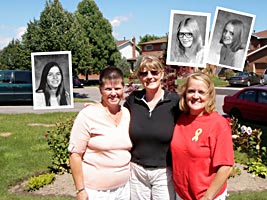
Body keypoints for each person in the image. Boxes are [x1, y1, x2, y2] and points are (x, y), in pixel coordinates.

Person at [68, 66, 132, 200]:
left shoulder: (127, 114)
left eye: (117, 88)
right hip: (96, 192)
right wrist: (80, 190)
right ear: (100, 90)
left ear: (123, 88)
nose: (113, 93)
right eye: (108, 89)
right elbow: (75, 155)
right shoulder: (88, 115)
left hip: (125, 189)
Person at [124, 55, 180, 200]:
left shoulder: (175, 101)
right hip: (137, 171)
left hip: (163, 171)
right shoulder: (133, 100)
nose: (149, 77)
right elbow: (115, 115)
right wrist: (97, 108)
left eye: (154, 72)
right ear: (139, 77)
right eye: (144, 73)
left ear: (162, 74)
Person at [171, 72, 234, 200]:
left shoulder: (218, 124)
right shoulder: (181, 119)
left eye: (201, 92)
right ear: (184, 94)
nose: (195, 96)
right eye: (191, 91)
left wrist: (208, 197)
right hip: (182, 194)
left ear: (209, 96)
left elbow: (226, 167)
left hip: (207, 195)